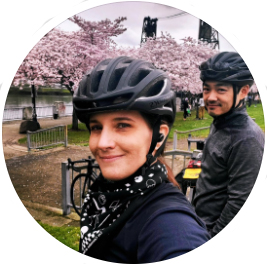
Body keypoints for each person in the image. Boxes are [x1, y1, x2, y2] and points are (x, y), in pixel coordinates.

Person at [73, 56, 210, 262]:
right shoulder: (104, 196)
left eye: (122, 125)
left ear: (159, 136)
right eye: (96, 127)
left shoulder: (169, 220)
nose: (103, 143)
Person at [193, 52, 264, 237]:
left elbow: (240, 202)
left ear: (243, 91)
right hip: (198, 224)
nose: (210, 97)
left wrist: (211, 239)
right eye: (207, 89)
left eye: (221, 90)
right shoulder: (220, 121)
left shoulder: (247, 138)